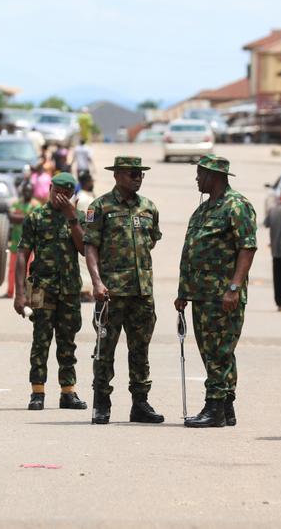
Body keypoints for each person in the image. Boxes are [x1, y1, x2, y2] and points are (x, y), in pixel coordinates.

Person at [174, 155, 257, 428]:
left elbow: (247, 248)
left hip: (223, 296)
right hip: (201, 295)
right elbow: (191, 252)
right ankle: (226, 406)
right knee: (210, 352)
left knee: (219, 351)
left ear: (214, 176)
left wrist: (234, 287)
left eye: (201, 174)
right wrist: (183, 292)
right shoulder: (202, 210)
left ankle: (214, 409)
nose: (197, 178)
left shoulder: (237, 206)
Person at [84, 156, 164, 425]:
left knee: (140, 349)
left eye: (141, 174)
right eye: (132, 174)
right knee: (104, 349)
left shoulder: (149, 208)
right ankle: (101, 403)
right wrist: (96, 281)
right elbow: (90, 246)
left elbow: (150, 242)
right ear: (117, 175)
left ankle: (140, 403)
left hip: (141, 292)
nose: (138, 178)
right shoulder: (101, 207)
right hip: (111, 293)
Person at [13, 173, 88, 411]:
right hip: (41, 289)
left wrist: (72, 218)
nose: (60, 197)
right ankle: (38, 392)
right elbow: (22, 254)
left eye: (65, 194)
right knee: (41, 340)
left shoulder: (78, 218)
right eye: (56, 191)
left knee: (68, 341)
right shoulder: (35, 217)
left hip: (69, 290)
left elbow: (84, 249)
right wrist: (19, 293)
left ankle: (68, 392)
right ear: (50, 188)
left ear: (71, 194)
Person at [5, 184, 39, 298]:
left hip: (30, 244)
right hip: (16, 243)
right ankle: (10, 292)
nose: (26, 193)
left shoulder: (36, 205)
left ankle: (26, 292)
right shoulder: (17, 203)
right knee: (12, 269)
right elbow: (11, 216)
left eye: (29, 191)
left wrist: (20, 217)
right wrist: (26, 217)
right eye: (25, 191)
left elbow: (33, 220)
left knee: (29, 270)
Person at [74, 173, 96, 301]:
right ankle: (84, 291)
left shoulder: (86, 196)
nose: (92, 182)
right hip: (85, 234)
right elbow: (88, 218)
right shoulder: (83, 198)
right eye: (91, 180)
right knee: (83, 264)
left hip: (87, 234)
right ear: (86, 182)